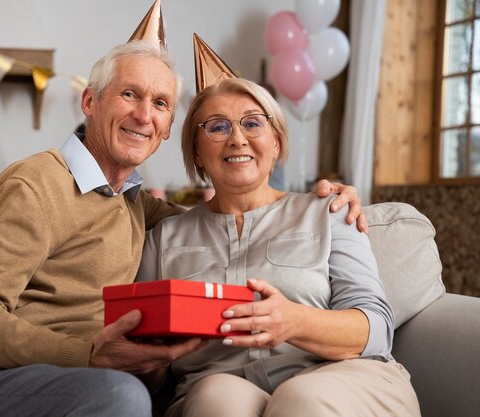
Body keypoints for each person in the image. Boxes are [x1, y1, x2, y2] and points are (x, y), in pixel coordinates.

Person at [0, 22, 366, 417]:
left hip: (99, 382)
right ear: (89, 100)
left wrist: (325, 203)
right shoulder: (36, 184)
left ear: (166, 129)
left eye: (160, 103)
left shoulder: (138, 207)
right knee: (126, 395)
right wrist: (87, 353)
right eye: (129, 94)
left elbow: (221, 220)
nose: (144, 114)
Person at [135, 74, 421, 416]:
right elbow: (150, 368)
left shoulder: (329, 211)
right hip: (216, 384)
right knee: (216, 400)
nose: (237, 138)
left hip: (340, 377)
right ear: (197, 151)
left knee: (300, 399)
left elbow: (374, 330)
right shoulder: (163, 239)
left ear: (276, 143)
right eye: (217, 127)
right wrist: (147, 359)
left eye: (253, 123)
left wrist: (295, 321)